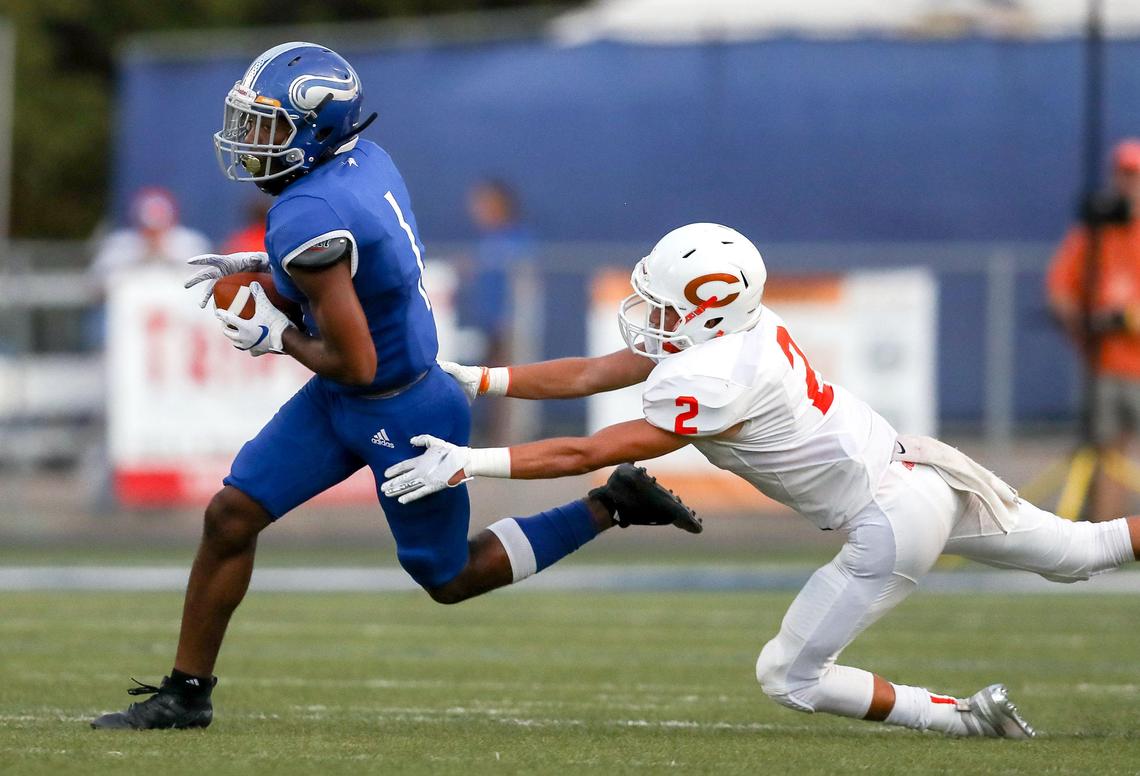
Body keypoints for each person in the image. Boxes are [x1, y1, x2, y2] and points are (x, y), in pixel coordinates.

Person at [90, 42, 699, 731]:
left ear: (316, 129)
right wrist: (269, 266)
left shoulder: (306, 213)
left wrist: (276, 336)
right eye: (247, 121)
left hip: (403, 409)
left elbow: (353, 360)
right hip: (348, 399)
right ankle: (187, 693)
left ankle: (610, 505)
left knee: (449, 577)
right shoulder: (361, 161)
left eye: (267, 126)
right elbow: (359, 254)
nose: (248, 141)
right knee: (231, 515)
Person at [383, 222, 1140, 739]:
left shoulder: (711, 375)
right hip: (924, 473)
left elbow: (593, 450)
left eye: (664, 303)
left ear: (705, 312)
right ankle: (970, 715)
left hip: (891, 516)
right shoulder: (737, 327)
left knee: (789, 676)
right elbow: (591, 372)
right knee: (1087, 550)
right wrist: (477, 379)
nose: (646, 312)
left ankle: (962, 718)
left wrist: (473, 461)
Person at [1047, 138, 1140, 520]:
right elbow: (1060, 290)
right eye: (1124, 174)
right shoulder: (1092, 234)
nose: (1128, 182)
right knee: (1107, 454)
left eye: (1135, 175)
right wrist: (1083, 326)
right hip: (1105, 365)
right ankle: (1109, 537)